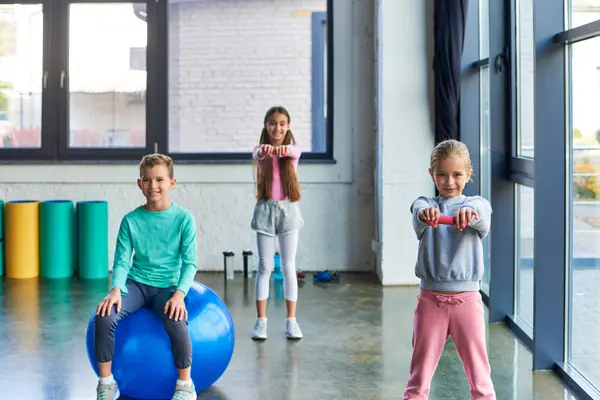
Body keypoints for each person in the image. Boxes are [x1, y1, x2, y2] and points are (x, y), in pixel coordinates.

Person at [93, 153, 198, 400]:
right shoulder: (131, 220)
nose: (153, 186)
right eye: (147, 180)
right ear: (139, 183)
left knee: (176, 321)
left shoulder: (184, 219)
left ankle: (185, 385)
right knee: (104, 316)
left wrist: (180, 295)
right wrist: (116, 289)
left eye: (160, 180)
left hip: (168, 286)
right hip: (137, 284)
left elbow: (190, 263)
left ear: (172, 183)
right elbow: (121, 261)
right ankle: (106, 384)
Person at [403, 139, 496, 399]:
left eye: (457, 175)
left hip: (467, 302)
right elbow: (418, 208)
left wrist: (468, 211)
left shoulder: (478, 204)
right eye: (441, 175)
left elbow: (481, 211)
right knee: (418, 378)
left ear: (468, 174)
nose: (449, 181)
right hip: (430, 301)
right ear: (432, 174)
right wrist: (425, 213)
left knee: (480, 378)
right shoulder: (425, 204)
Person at [250, 105, 304, 341]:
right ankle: (261, 321)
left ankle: (291, 320)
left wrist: (282, 150)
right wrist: (265, 151)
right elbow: (258, 154)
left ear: (288, 126)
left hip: (288, 211)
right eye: (273, 123)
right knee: (265, 267)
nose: (277, 127)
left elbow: (293, 152)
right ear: (266, 125)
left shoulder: (293, 151)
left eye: (282, 123)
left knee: (288, 266)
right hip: (265, 211)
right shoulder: (260, 151)